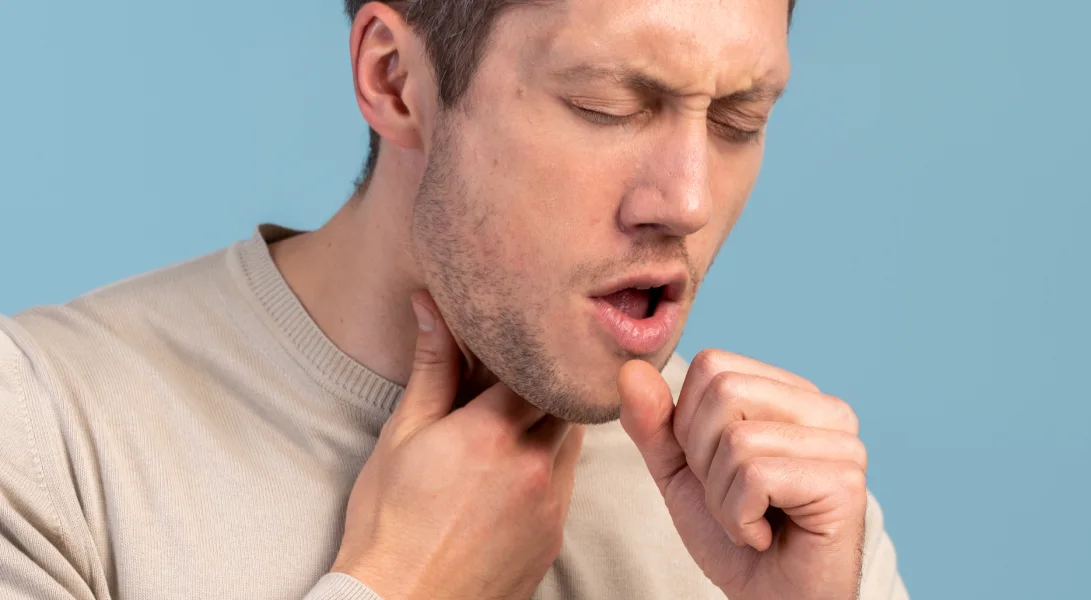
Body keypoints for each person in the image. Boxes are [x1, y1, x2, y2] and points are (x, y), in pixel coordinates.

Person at [0, 0, 907, 598]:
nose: (689, 200)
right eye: (609, 106)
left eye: (741, 120)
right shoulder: (44, 441)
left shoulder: (783, 519)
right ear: (395, 79)